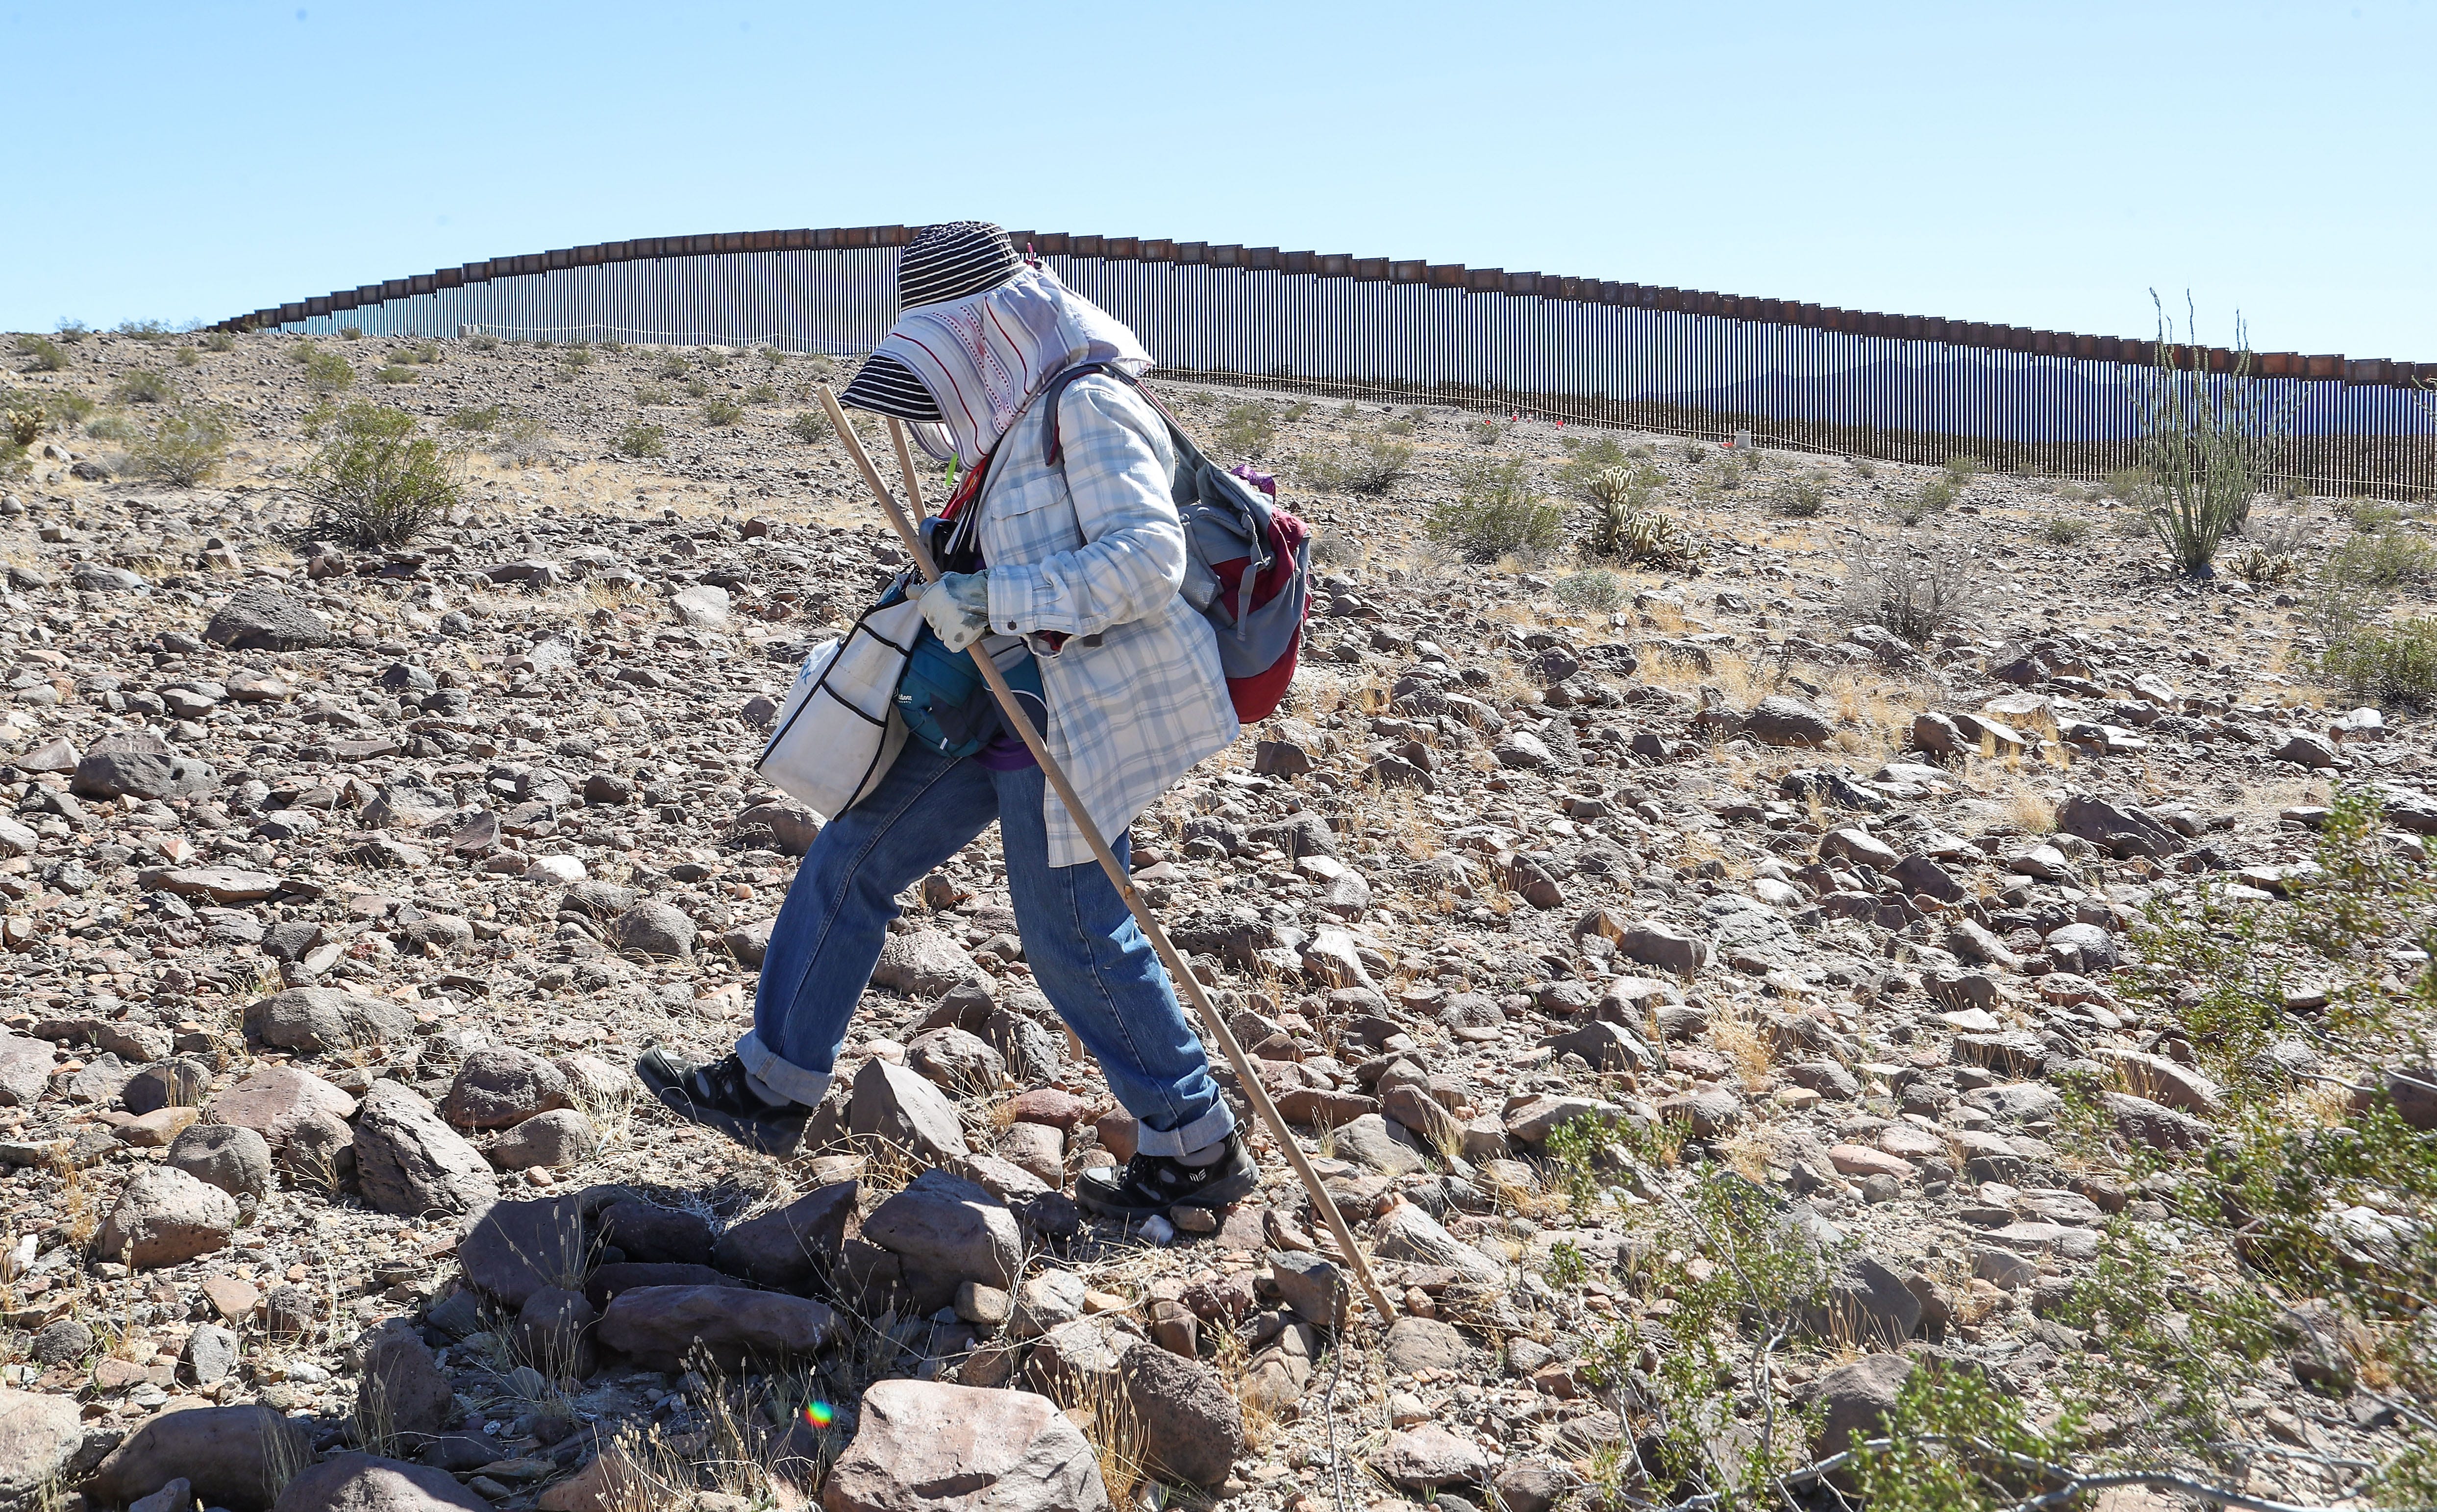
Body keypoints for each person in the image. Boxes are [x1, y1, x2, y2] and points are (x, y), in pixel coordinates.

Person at [638, 222, 1254, 1218]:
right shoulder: (1020, 422)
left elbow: (1148, 560)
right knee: (853, 855)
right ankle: (771, 1084)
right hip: (994, 703)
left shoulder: (1088, 403)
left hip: (1068, 713)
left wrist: (994, 598)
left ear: (992, 328)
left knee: (1074, 936)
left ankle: (1193, 1143)